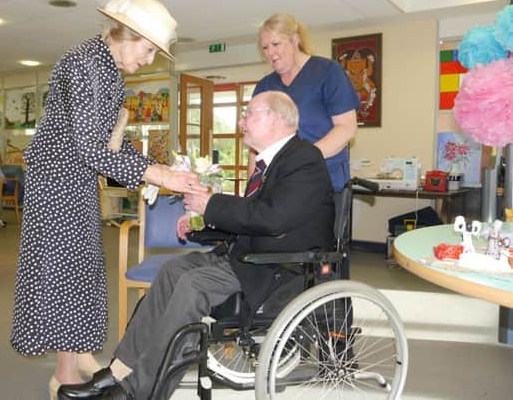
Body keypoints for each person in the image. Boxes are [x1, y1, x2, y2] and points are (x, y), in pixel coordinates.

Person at [58, 91, 335, 400]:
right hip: (249, 256)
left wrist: (210, 205)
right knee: (172, 270)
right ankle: (119, 372)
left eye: (249, 113)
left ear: (277, 118)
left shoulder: (303, 158)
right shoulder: (271, 162)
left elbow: (272, 218)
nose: (242, 121)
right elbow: (253, 219)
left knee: (193, 284)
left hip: (280, 266)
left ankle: (141, 391)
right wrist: (203, 221)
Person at [9, 0, 205, 400]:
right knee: (64, 276)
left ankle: (76, 355)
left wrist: (158, 168)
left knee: (81, 273)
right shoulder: (82, 64)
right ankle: (64, 375)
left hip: (76, 183)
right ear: (125, 34)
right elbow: (88, 148)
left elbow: (108, 149)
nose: (149, 60)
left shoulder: (111, 74)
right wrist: (156, 172)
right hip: (56, 185)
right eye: (148, 49)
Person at [252, 12, 360, 278]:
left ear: (296, 39)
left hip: (325, 185)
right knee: (280, 259)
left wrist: (301, 160)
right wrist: (251, 190)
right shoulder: (266, 86)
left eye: (276, 44)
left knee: (323, 263)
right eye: (265, 47)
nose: (270, 53)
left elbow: (347, 127)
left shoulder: (328, 72)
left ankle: (330, 319)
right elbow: (256, 143)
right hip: (281, 189)